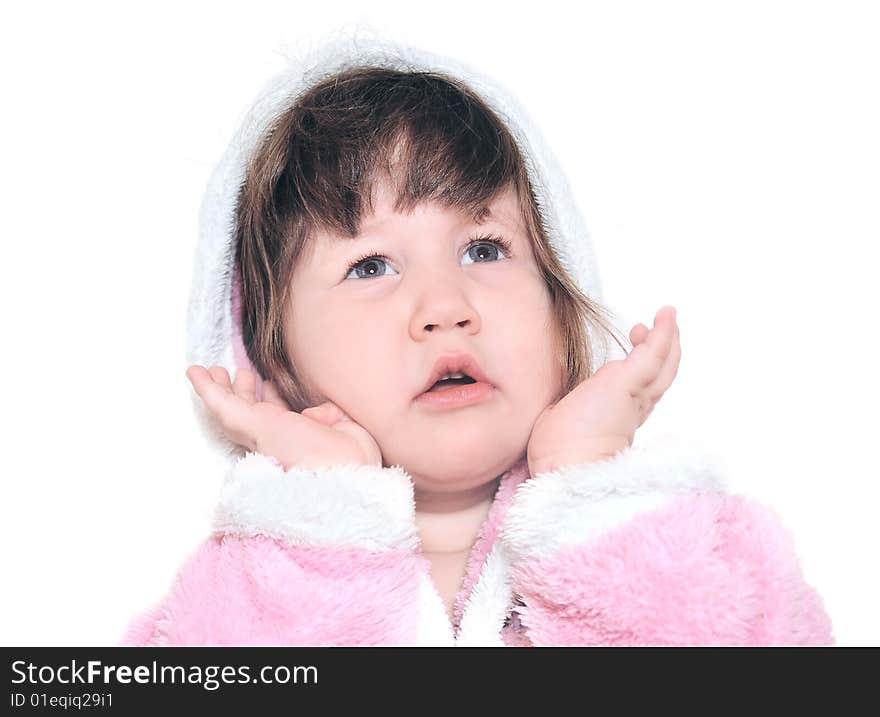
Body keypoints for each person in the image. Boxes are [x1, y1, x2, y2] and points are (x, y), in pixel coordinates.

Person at [120, 29, 834, 646]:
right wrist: (321, 517)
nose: (445, 306)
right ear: (274, 358)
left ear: (560, 304)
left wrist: (590, 486)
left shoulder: (681, 538)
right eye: (370, 265)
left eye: (484, 249)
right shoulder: (234, 590)